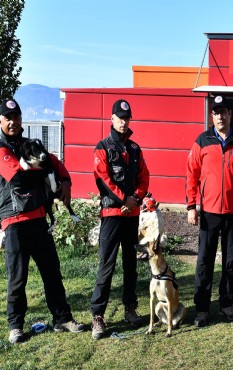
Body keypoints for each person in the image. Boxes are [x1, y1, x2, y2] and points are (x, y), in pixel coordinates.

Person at [0, 98, 88, 344]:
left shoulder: (29, 144)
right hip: (15, 222)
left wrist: (65, 181)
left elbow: (53, 161)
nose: (13, 122)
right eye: (7, 118)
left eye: (16, 117)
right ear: (0, 121)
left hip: (38, 220)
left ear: (21, 118)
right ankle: (16, 326)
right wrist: (45, 171)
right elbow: (19, 178)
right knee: (17, 277)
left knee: (52, 272)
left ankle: (62, 318)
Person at [186, 95, 233, 327]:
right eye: (216, 112)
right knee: (204, 261)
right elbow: (191, 174)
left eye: (223, 112)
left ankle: (227, 303)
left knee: (229, 262)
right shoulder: (202, 141)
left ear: (230, 114)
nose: (220, 116)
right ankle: (202, 308)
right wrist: (191, 206)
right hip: (208, 212)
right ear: (212, 116)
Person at [90, 99, 150, 339]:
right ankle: (98, 316)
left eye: (127, 118)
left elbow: (145, 177)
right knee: (107, 265)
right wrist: (124, 199)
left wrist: (135, 198)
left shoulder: (135, 149)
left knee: (130, 265)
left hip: (132, 214)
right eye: (119, 118)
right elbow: (103, 178)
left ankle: (130, 308)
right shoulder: (102, 147)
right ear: (112, 119)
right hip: (112, 215)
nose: (123, 122)